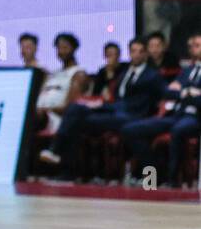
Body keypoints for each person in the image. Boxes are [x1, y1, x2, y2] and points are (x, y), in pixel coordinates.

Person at [39, 37, 164, 180]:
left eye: (140, 51)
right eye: (133, 51)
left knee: (76, 121)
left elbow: (138, 102)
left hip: (132, 116)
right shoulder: (125, 74)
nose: (136, 55)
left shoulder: (152, 75)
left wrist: (104, 106)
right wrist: (101, 105)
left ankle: (59, 156)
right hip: (115, 112)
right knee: (75, 109)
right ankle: (58, 156)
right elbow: (117, 99)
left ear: (145, 54)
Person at [121, 32, 201, 186]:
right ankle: (156, 173)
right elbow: (168, 91)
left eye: (197, 46)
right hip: (176, 114)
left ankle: (172, 180)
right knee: (130, 130)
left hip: (195, 117)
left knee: (178, 130)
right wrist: (188, 92)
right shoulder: (187, 71)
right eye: (191, 46)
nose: (192, 49)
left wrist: (184, 92)